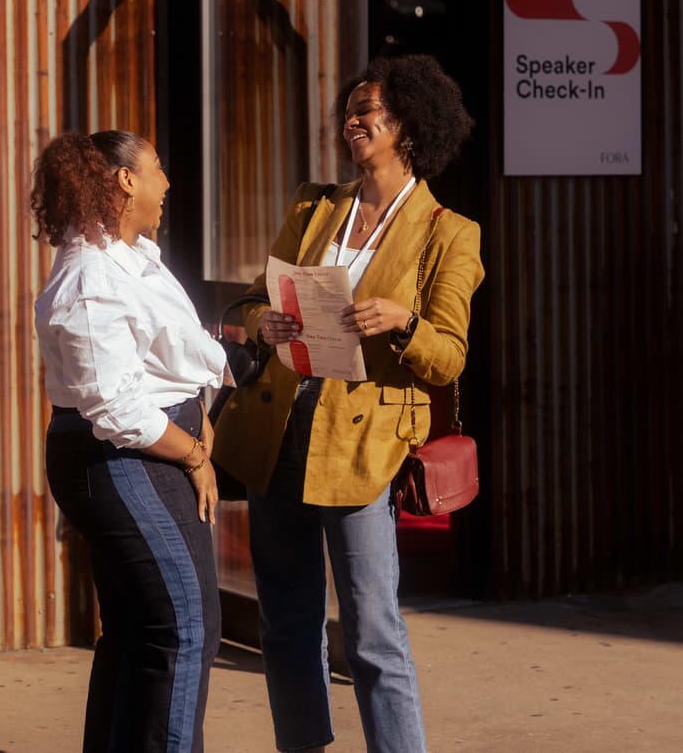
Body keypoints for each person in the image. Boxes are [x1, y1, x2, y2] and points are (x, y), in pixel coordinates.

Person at [212, 54, 485, 752]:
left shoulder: (449, 231)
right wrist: (265, 323)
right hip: (281, 430)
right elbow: (251, 300)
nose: (352, 122)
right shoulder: (315, 205)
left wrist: (403, 321)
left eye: (369, 112)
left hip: (364, 447)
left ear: (410, 126)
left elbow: (450, 355)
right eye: (350, 112)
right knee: (285, 623)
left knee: (372, 633)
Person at [31, 130, 226, 753]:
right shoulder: (90, 276)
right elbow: (113, 406)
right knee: (183, 627)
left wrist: (199, 410)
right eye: (157, 168)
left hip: (147, 448)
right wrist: (194, 454)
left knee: (141, 629)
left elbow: (165, 357)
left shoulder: (132, 256)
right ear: (125, 180)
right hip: (126, 457)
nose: (166, 183)